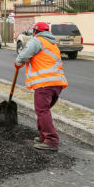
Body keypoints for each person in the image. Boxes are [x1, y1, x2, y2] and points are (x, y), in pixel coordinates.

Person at [14, 21, 68, 152]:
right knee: (43, 110)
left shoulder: (36, 41)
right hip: (57, 84)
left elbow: (24, 55)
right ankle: (43, 135)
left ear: (34, 32)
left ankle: (51, 140)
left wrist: (18, 62)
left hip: (45, 84)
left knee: (42, 111)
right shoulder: (52, 44)